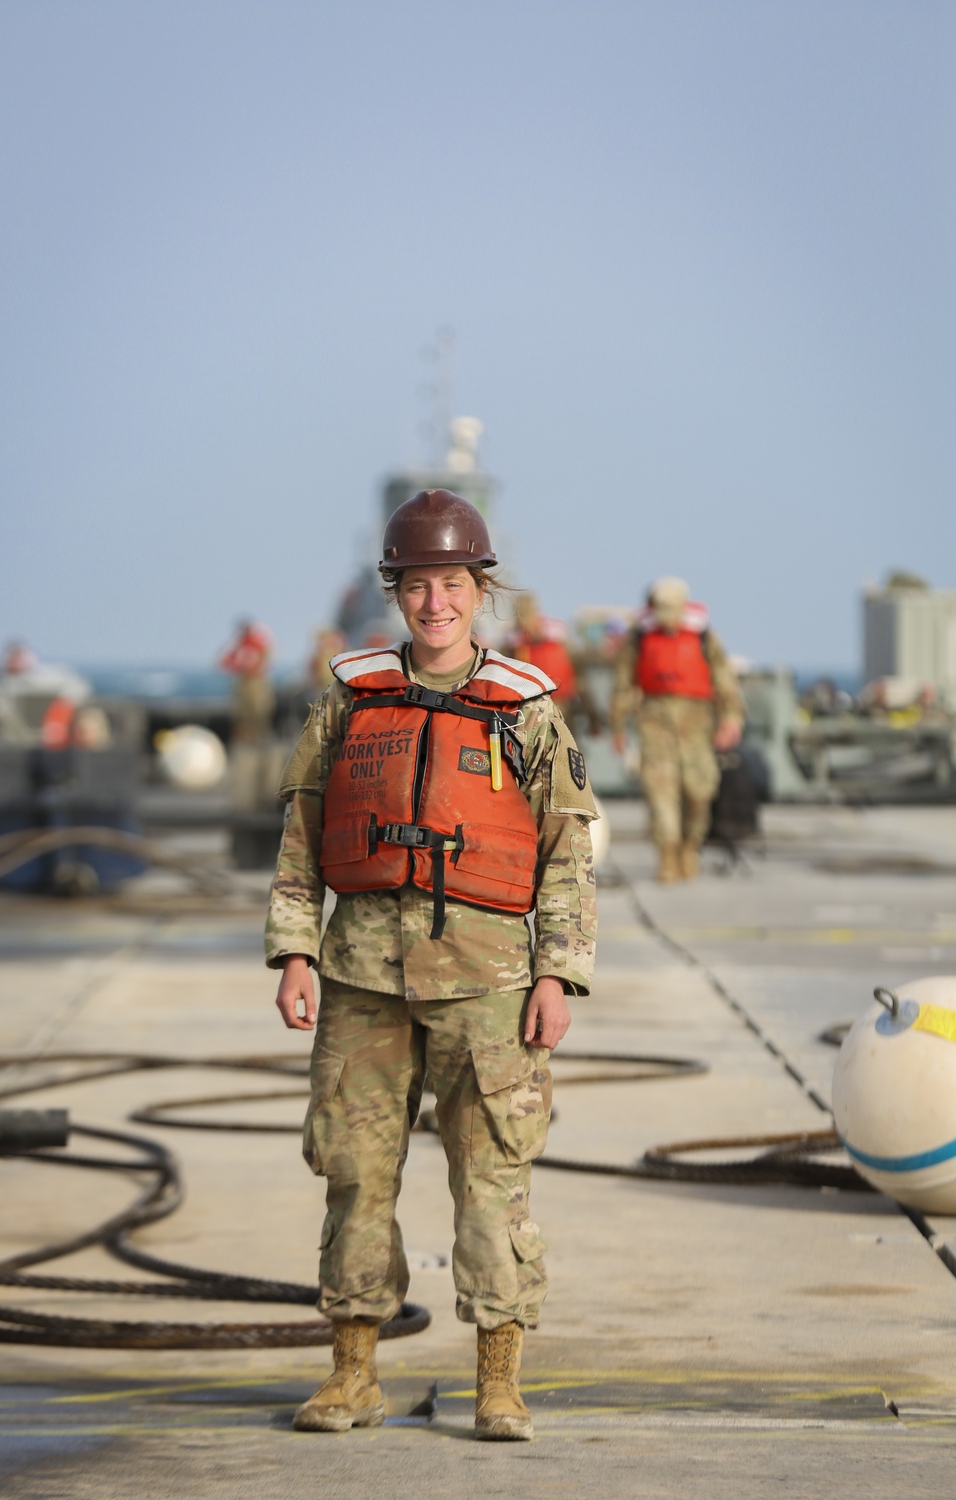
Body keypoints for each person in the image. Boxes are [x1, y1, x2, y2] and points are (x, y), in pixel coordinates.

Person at [266, 488, 597, 1442]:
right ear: (396, 593)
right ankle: (353, 1375)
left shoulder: (527, 712)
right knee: (354, 1176)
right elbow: (301, 832)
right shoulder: (350, 698)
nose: (435, 603)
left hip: (489, 985)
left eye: (452, 583)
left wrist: (556, 974)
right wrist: (294, 951)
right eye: (418, 585)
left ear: (479, 591)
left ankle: (499, 1380)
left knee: (493, 1179)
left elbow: (567, 850)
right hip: (362, 977)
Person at [610, 577, 744, 883]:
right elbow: (623, 684)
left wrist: (731, 719)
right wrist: (618, 726)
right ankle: (667, 857)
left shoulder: (704, 636)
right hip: (655, 722)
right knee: (661, 795)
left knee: (700, 791)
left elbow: (724, 679)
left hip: (697, 723)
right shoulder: (640, 637)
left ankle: (689, 846)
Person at [505, 593, 602, 737]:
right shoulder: (513, 644)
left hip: (562, 708)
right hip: (528, 712)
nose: (524, 624)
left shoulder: (559, 637)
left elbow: (581, 680)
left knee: (565, 751)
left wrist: (593, 717)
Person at [219, 618, 276, 743]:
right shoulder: (239, 645)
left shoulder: (257, 643)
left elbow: (268, 656)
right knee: (243, 713)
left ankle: (261, 737)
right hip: (243, 681)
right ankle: (245, 738)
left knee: (259, 710)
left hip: (256, 681)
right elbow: (224, 662)